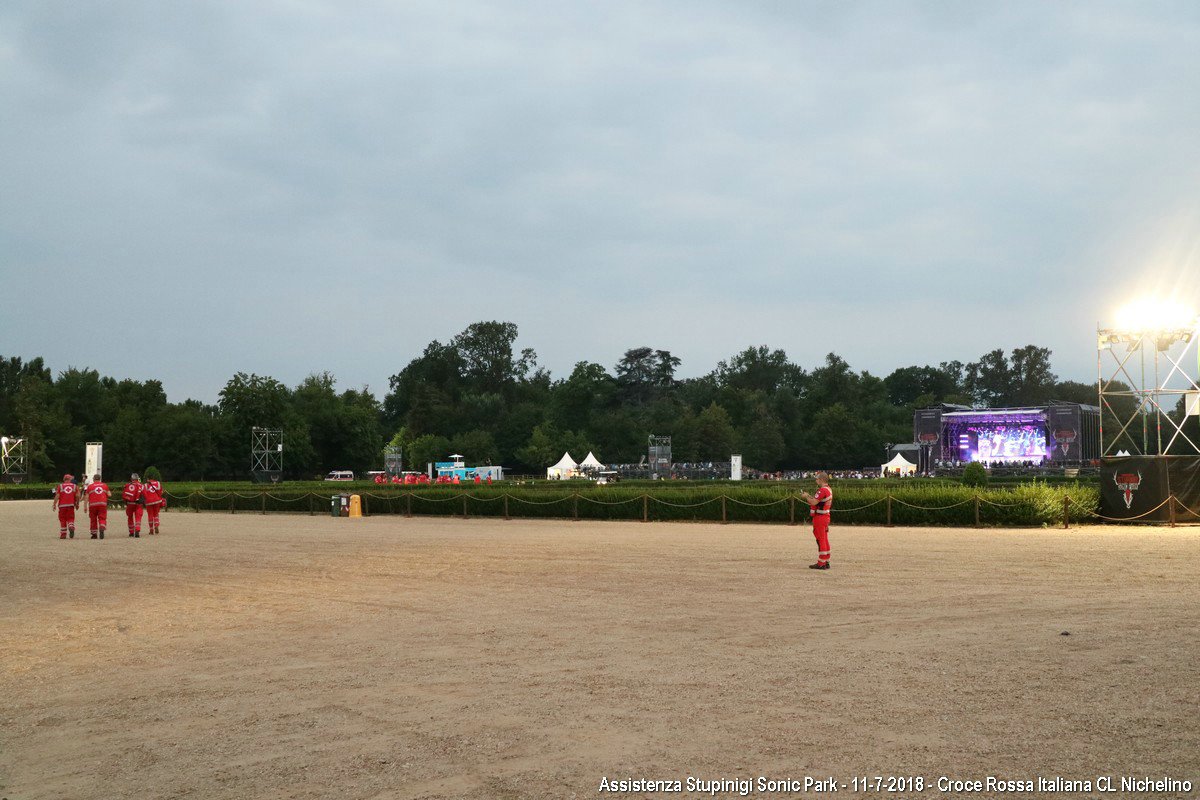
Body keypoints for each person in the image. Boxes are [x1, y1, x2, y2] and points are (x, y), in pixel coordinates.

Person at [798, 471, 833, 570]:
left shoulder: (822, 490)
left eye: (817, 479)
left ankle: (821, 563)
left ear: (821, 480)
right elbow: (818, 501)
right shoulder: (828, 489)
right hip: (825, 516)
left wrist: (806, 497)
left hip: (820, 517)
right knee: (824, 538)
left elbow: (814, 501)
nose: (816, 480)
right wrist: (809, 496)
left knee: (820, 539)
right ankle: (826, 560)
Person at [52, 474, 80, 539]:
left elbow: (57, 496)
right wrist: (77, 503)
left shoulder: (60, 486)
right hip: (71, 505)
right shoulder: (74, 486)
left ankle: (63, 534)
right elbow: (78, 496)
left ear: (64, 479)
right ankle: (71, 526)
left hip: (62, 506)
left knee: (62, 519)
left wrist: (54, 504)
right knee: (70, 518)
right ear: (70, 479)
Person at [85, 473, 111, 539]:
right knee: (102, 518)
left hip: (92, 505)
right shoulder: (105, 485)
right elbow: (109, 495)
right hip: (102, 504)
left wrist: (85, 506)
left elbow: (86, 497)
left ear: (93, 479)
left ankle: (94, 534)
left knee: (93, 519)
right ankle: (102, 527)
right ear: (100, 479)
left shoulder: (90, 486)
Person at [123, 473, 144, 537]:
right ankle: (137, 530)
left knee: (130, 517)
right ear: (138, 479)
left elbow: (124, 494)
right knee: (138, 517)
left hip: (129, 504)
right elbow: (144, 494)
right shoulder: (141, 485)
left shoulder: (127, 485)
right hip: (138, 504)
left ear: (131, 479)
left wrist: (126, 502)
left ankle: (131, 532)